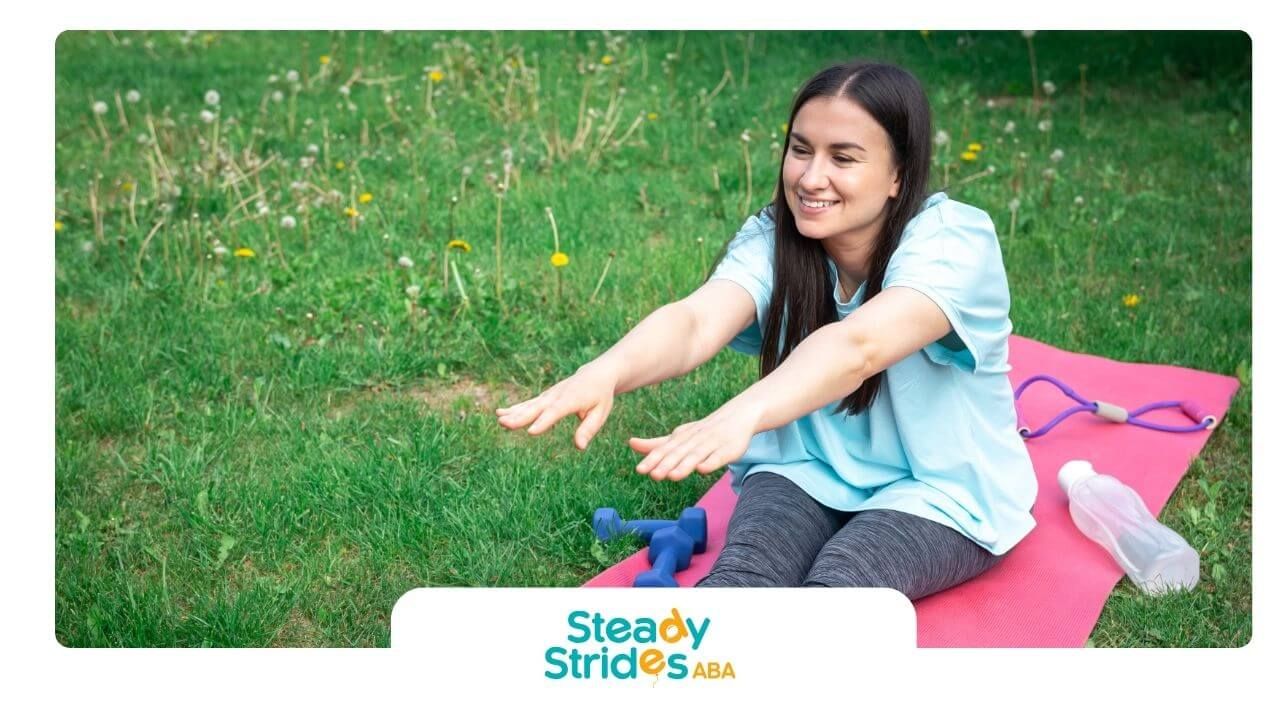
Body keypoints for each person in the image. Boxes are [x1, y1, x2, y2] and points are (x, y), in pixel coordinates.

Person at [496, 59, 1037, 599]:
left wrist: (742, 414)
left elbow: (859, 346)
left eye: (842, 158)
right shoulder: (775, 238)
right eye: (801, 149)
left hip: (938, 491)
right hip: (806, 470)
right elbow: (695, 321)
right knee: (741, 584)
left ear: (899, 174)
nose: (810, 178)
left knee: (840, 588)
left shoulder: (953, 242)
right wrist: (607, 370)